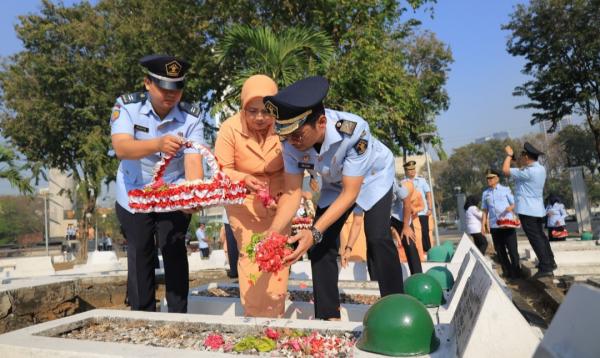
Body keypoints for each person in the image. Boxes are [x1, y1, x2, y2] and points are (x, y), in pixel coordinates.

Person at [265, 76, 404, 320]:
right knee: (319, 247)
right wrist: (274, 232)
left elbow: (352, 193)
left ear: (321, 122)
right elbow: (292, 192)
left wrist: (314, 230)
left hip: (373, 177)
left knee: (378, 237)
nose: (292, 142)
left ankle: (397, 308)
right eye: (286, 135)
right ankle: (328, 316)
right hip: (335, 184)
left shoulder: (354, 130)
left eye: (297, 135)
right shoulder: (290, 143)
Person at [111, 54, 204, 313]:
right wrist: (158, 144)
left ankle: (178, 315)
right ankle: (143, 314)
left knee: (174, 247)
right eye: (163, 88)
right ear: (147, 84)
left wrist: (193, 196)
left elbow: (194, 161)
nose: (170, 95)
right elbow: (121, 147)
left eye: (176, 89)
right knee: (141, 251)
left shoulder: (191, 116)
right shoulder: (126, 106)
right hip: (134, 191)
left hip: (173, 190)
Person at [214, 74, 287, 317]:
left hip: (279, 196)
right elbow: (221, 168)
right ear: (242, 107)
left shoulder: (285, 125)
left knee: (277, 250)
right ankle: (254, 313)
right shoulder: (229, 128)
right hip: (242, 201)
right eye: (252, 110)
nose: (259, 117)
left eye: (266, 111)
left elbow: (295, 162)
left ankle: (275, 312)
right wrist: (243, 179)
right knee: (251, 252)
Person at [503, 142, 556, 278]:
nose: (520, 157)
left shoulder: (528, 172)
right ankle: (550, 262)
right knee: (541, 237)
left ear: (526, 157)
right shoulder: (539, 169)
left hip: (527, 210)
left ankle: (546, 267)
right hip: (537, 209)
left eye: (522, 155)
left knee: (536, 239)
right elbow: (521, 167)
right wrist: (515, 158)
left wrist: (509, 156)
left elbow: (506, 171)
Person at [481, 169, 521, 279]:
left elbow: (515, 203)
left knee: (512, 249)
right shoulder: (485, 194)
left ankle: (516, 272)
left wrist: (510, 208)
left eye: (491, 178)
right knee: (500, 251)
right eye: (487, 178)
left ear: (497, 178)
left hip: (507, 224)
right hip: (494, 225)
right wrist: (483, 225)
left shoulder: (505, 189)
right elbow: (485, 211)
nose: (489, 180)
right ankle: (507, 271)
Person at [389, 180, 421, 275]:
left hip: (400, 216)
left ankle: (417, 277)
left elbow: (407, 203)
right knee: (383, 246)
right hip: (383, 216)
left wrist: (406, 226)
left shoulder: (393, 182)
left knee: (409, 244)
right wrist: (392, 230)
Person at [402, 161, 434, 252]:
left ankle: (427, 251)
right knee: (414, 232)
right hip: (410, 213)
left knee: (425, 231)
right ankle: (417, 251)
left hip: (422, 211)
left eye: (413, 169)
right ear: (406, 171)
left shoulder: (422, 180)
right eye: (409, 170)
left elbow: (428, 194)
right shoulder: (403, 183)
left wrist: (430, 208)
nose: (412, 171)